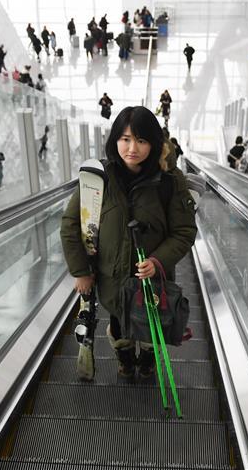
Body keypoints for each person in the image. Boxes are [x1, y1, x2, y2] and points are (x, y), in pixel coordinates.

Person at [60, 106, 198, 379]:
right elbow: (71, 224)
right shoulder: (97, 178)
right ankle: (124, 356)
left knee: (150, 326)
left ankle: (147, 358)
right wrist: (81, 271)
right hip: (111, 276)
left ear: (154, 143)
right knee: (119, 323)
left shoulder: (169, 181)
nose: (132, 148)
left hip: (154, 278)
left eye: (141, 140)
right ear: (115, 140)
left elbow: (184, 230)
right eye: (125, 139)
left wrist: (158, 261)